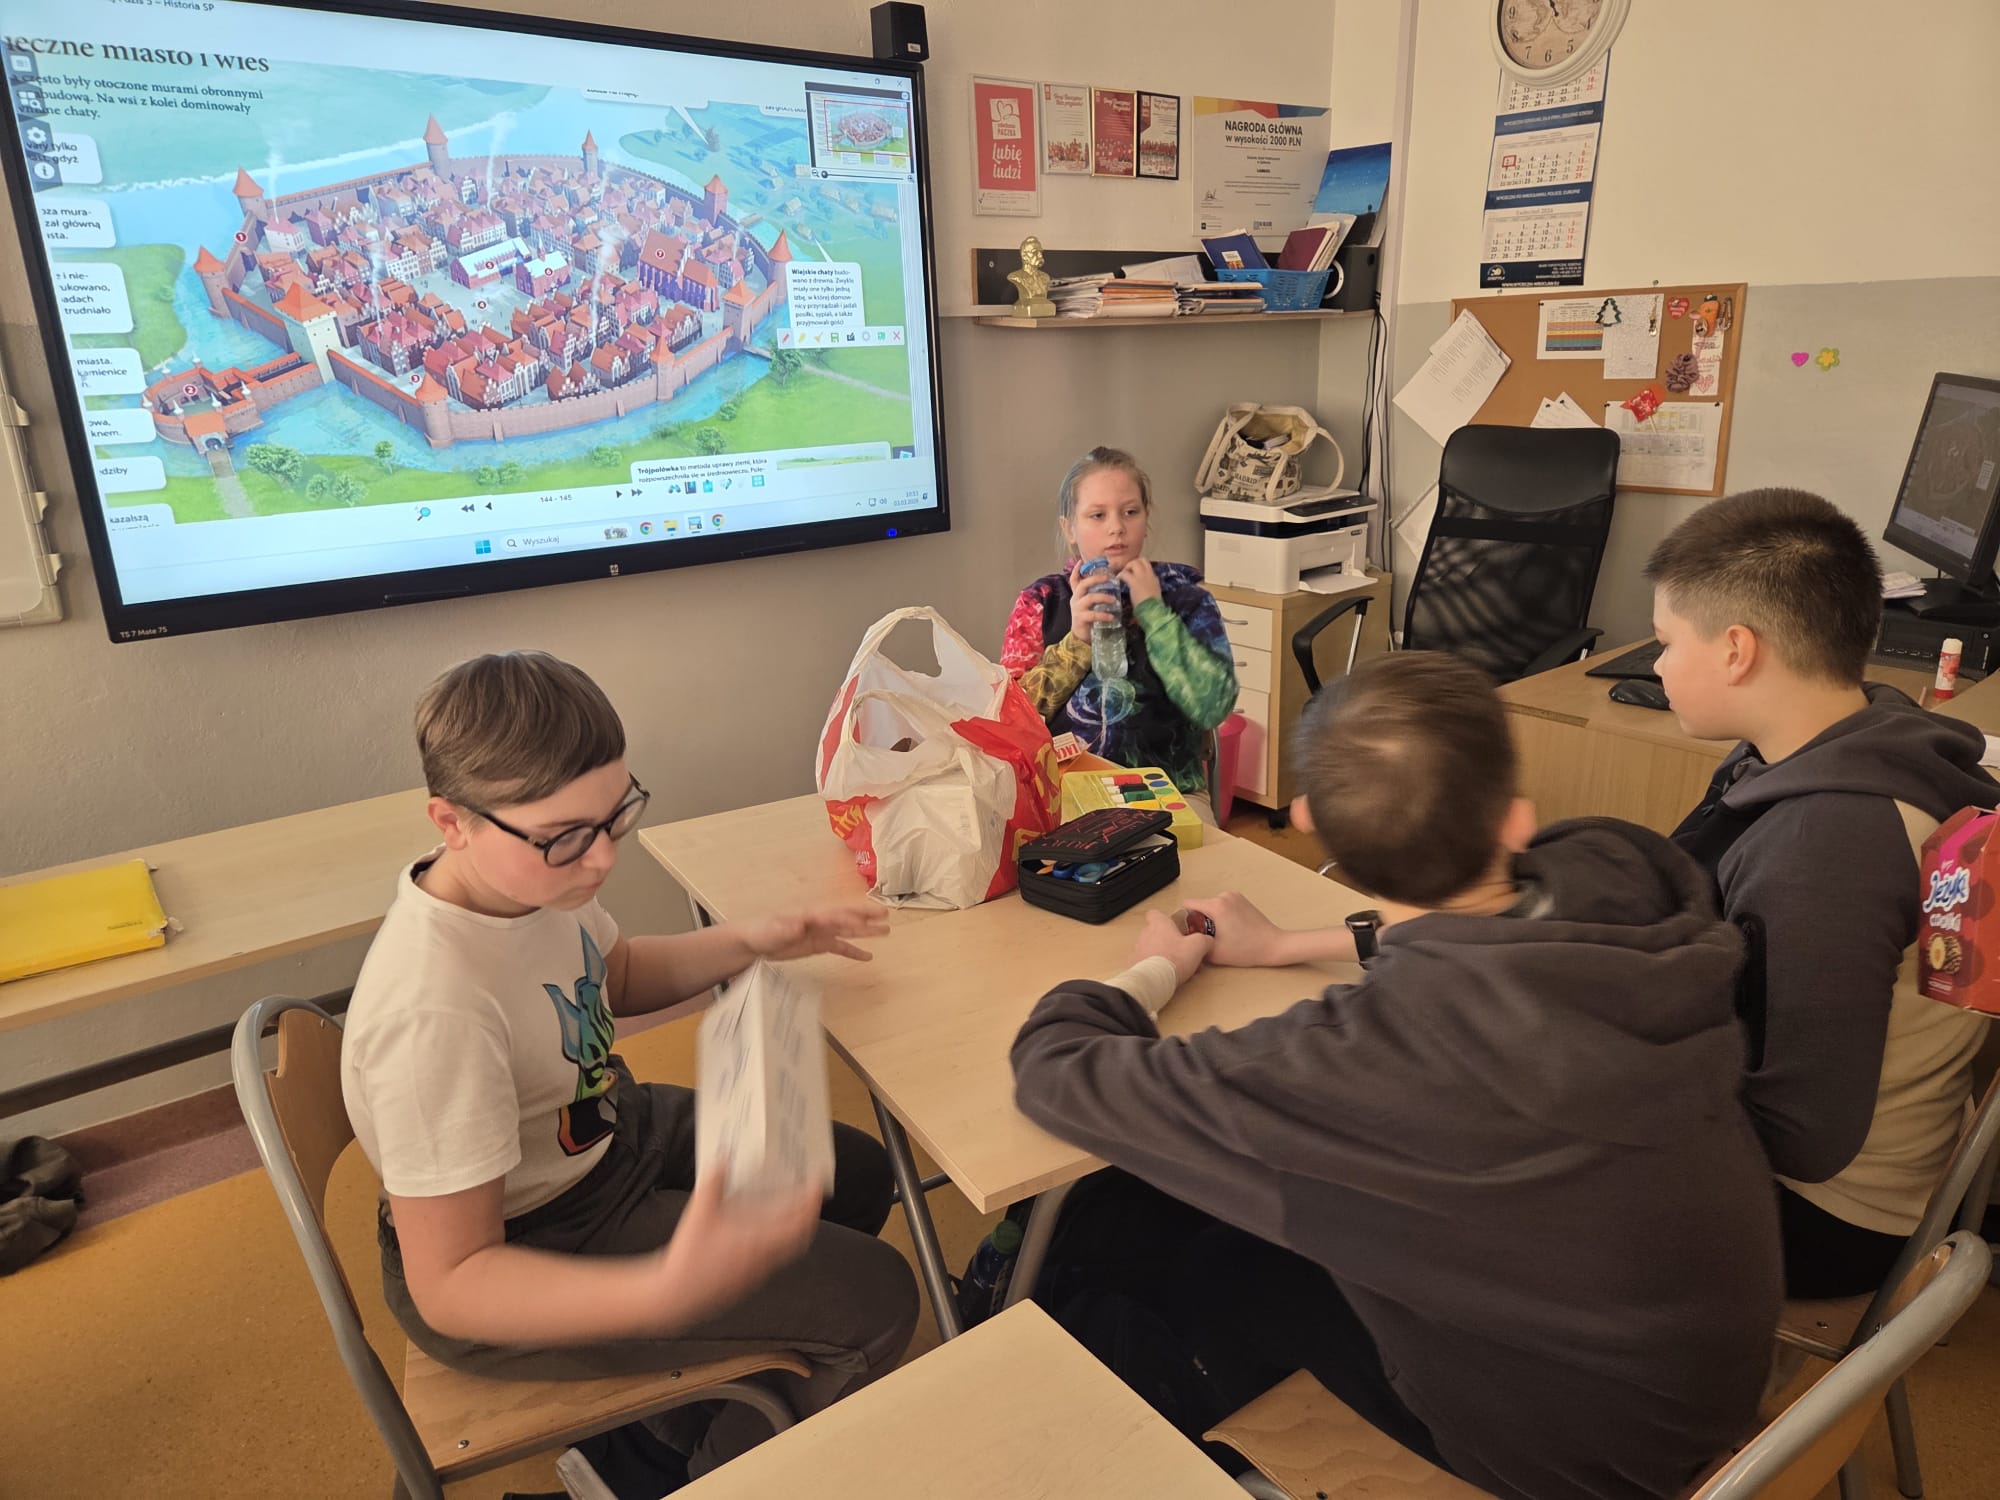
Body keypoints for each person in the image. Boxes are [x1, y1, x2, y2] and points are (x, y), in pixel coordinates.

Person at [1010, 652, 1780, 1500]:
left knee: (1193, 1264)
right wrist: (1288, 946)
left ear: (1312, 824)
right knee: (1201, 1210)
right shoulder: (1619, 869)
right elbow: (1478, 924)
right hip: (1699, 1382)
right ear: (1515, 818)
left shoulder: (1364, 1060)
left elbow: (1055, 1063)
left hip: (1578, 1459)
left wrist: (1156, 965)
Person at [340, 651, 918, 1482]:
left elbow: (619, 975)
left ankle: (679, 1411)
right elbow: (454, 1282)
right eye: (567, 837)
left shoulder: (533, 884)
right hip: (530, 1240)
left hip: (601, 1140)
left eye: (614, 816)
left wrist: (754, 939)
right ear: (451, 822)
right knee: (880, 1302)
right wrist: (664, 1288)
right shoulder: (431, 1014)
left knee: (855, 1176)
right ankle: (687, 1472)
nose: (603, 858)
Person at [1646, 488, 2000, 1297]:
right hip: (1853, 1146)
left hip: (1828, 1213)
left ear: (1737, 651)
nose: (1658, 665)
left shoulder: (1828, 847)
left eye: (1665, 642)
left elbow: (1806, 1135)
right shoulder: (1861, 733)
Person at [1001, 446, 1237, 799]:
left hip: (1168, 792)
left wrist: (1155, 615)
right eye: (1097, 515)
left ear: (1146, 517)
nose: (1116, 528)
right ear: (1069, 528)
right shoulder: (1041, 602)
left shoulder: (1187, 599)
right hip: (1062, 794)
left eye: (1130, 512)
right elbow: (1009, 721)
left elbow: (1213, 706)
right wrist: (1077, 642)